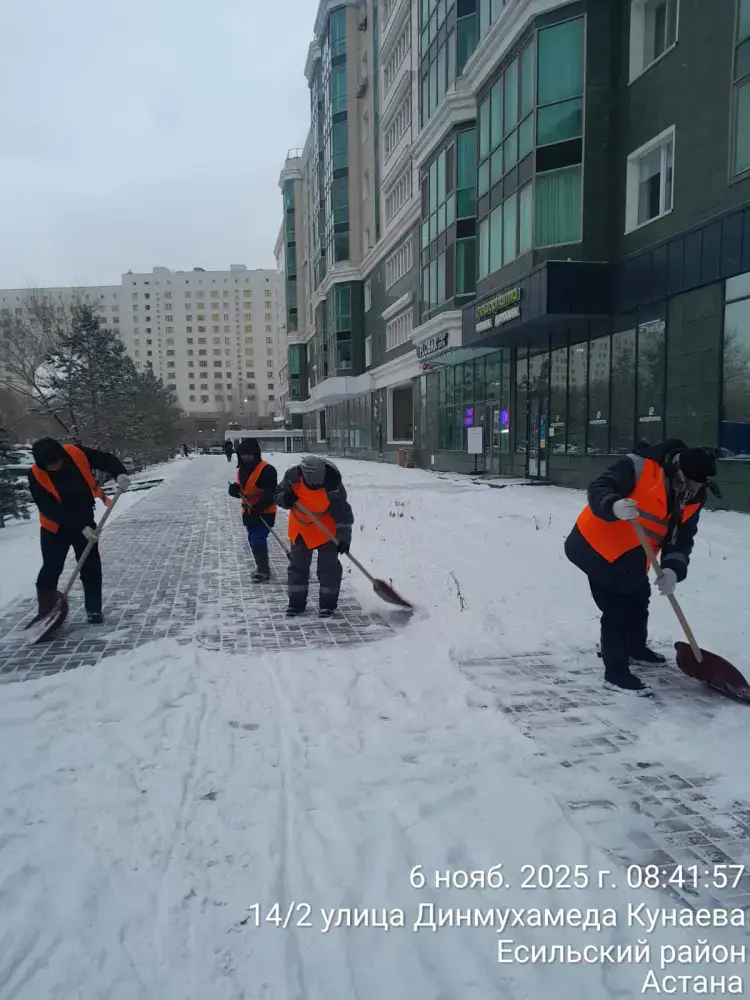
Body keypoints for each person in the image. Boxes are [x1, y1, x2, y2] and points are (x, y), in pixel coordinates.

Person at [564, 440, 716, 692]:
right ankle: (616, 671)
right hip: (595, 544)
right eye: (695, 482)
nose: (698, 488)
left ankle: (636, 648)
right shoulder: (637, 467)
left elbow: (682, 538)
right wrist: (613, 504)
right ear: (680, 473)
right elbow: (599, 487)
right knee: (617, 607)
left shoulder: (694, 496)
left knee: (638, 596)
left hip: (633, 552)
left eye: (703, 484)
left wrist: (673, 570)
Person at [28, 438, 131, 624]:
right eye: (49, 465)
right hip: (55, 526)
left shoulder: (76, 453)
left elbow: (105, 459)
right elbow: (48, 507)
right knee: (51, 568)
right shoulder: (36, 474)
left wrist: (120, 473)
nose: (55, 466)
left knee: (90, 566)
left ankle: (94, 610)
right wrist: (77, 526)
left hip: (85, 518)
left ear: (62, 455)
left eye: (57, 461)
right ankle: (47, 610)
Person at [276, 455, 353, 618]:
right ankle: (296, 604)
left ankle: (327, 605)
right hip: (300, 529)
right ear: (303, 475)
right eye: (311, 484)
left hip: (327, 531)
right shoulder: (293, 477)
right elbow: (278, 494)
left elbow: (343, 514)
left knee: (329, 569)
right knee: (298, 568)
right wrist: (285, 499)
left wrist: (344, 538)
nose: (315, 486)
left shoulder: (333, 485)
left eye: (318, 483)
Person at [227, 438, 278, 583]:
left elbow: (271, 493)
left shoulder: (267, 470)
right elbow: (243, 491)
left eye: (249, 454)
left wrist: (259, 508)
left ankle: (263, 570)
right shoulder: (242, 470)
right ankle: (261, 567)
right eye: (243, 454)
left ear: (256, 454)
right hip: (248, 513)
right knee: (253, 539)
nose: (246, 457)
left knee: (257, 539)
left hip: (265, 512)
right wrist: (234, 491)